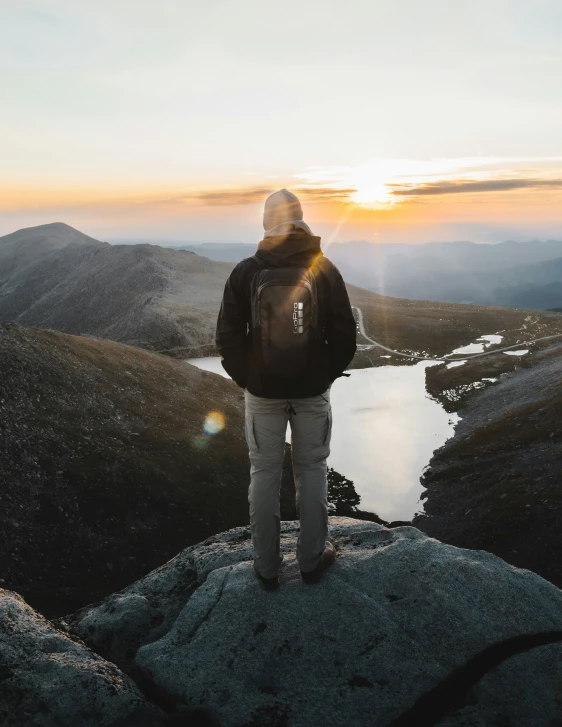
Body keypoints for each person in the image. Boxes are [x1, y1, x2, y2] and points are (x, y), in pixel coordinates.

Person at [216, 189, 357, 589]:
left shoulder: (246, 271)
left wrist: (250, 379)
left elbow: (227, 338)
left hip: (262, 393)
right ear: (301, 220)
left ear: (266, 222)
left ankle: (266, 567)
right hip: (312, 392)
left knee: (264, 471)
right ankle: (312, 560)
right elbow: (346, 337)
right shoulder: (324, 268)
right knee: (311, 468)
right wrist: (322, 375)